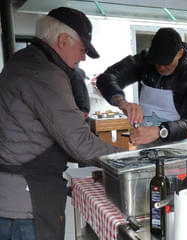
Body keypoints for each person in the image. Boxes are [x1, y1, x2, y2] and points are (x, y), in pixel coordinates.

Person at [0, 7, 120, 240]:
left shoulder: (23, 60)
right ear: (64, 41)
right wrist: (128, 160)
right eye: (83, 49)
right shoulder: (44, 73)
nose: (83, 57)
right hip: (25, 206)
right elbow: (80, 143)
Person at [96, 27, 187, 146]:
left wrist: (161, 131)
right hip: (146, 145)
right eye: (157, 62)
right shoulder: (144, 62)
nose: (161, 68)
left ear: (179, 54)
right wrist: (121, 102)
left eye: (166, 62)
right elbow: (106, 78)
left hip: (180, 147)